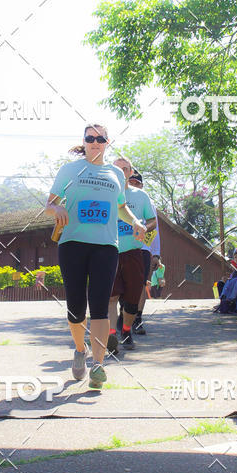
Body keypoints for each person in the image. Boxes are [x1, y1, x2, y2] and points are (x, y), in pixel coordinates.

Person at [46, 125, 146, 389]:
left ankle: (98, 365)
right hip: (73, 244)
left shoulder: (115, 173)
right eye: (90, 138)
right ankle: (81, 349)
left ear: (107, 142)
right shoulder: (69, 170)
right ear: (84, 141)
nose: (95, 142)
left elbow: (121, 207)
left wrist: (136, 221)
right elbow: (49, 204)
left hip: (106, 246)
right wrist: (57, 209)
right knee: (76, 307)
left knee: (100, 305)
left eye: (100, 138)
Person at [108, 157, 156, 350]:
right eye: (117, 169)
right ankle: (111, 335)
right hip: (109, 252)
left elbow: (152, 220)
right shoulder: (104, 193)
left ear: (130, 172)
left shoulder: (141, 195)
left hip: (133, 252)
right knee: (111, 297)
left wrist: (144, 227)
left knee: (132, 299)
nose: (121, 172)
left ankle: (126, 330)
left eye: (125, 169)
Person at [127, 170, 159, 334]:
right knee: (122, 285)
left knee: (140, 285)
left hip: (142, 249)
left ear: (142, 185)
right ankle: (124, 317)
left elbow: (155, 229)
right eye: (131, 182)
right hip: (121, 247)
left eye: (137, 183)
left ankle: (137, 319)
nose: (133, 185)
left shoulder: (147, 202)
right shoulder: (119, 199)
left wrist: (156, 253)